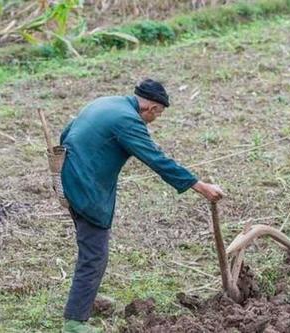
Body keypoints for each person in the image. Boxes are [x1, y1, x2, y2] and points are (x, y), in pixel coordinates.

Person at [60, 79, 224, 333]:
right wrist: (199, 186)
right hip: (86, 188)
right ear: (151, 107)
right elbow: (155, 159)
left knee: (91, 248)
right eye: (158, 113)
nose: (156, 118)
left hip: (73, 177)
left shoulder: (108, 103)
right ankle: (74, 322)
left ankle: (86, 300)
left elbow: (67, 132)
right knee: (95, 253)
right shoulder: (128, 120)